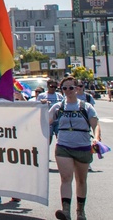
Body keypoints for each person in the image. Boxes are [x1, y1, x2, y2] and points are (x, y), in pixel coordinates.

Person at [51, 76, 101, 220]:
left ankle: (80, 211)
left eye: (71, 88)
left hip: (83, 146)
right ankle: (66, 211)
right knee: (66, 178)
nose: (68, 91)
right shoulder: (58, 107)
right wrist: (40, 106)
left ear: (77, 88)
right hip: (63, 146)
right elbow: (46, 120)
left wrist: (96, 138)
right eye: (64, 88)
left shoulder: (86, 107)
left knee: (81, 180)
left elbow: (95, 124)